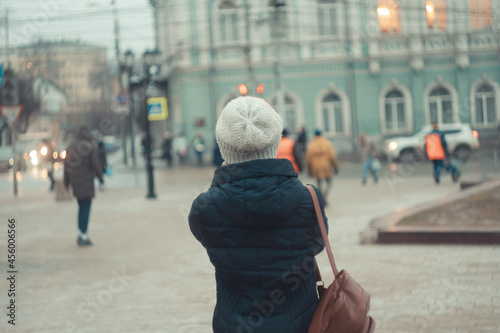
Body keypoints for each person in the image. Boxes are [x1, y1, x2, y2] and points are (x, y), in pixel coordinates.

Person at [188, 96, 326, 333]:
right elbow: (316, 245)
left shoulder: (205, 208)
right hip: (302, 323)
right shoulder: (309, 199)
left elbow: (210, 241)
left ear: (224, 147)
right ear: (275, 141)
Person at [64, 125, 104, 247]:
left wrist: (66, 182)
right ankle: (83, 235)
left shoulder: (70, 146)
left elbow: (66, 166)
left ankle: (81, 233)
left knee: (81, 207)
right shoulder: (89, 146)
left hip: (76, 182)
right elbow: (95, 165)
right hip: (86, 182)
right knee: (86, 208)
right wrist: (101, 180)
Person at [306, 129, 340, 201]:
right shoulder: (327, 143)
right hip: (326, 166)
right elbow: (332, 156)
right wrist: (336, 167)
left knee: (319, 183)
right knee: (329, 181)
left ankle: (321, 196)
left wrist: (309, 171)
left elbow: (308, 159)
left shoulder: (311, 144)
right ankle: (325, 195)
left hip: (316, 167)